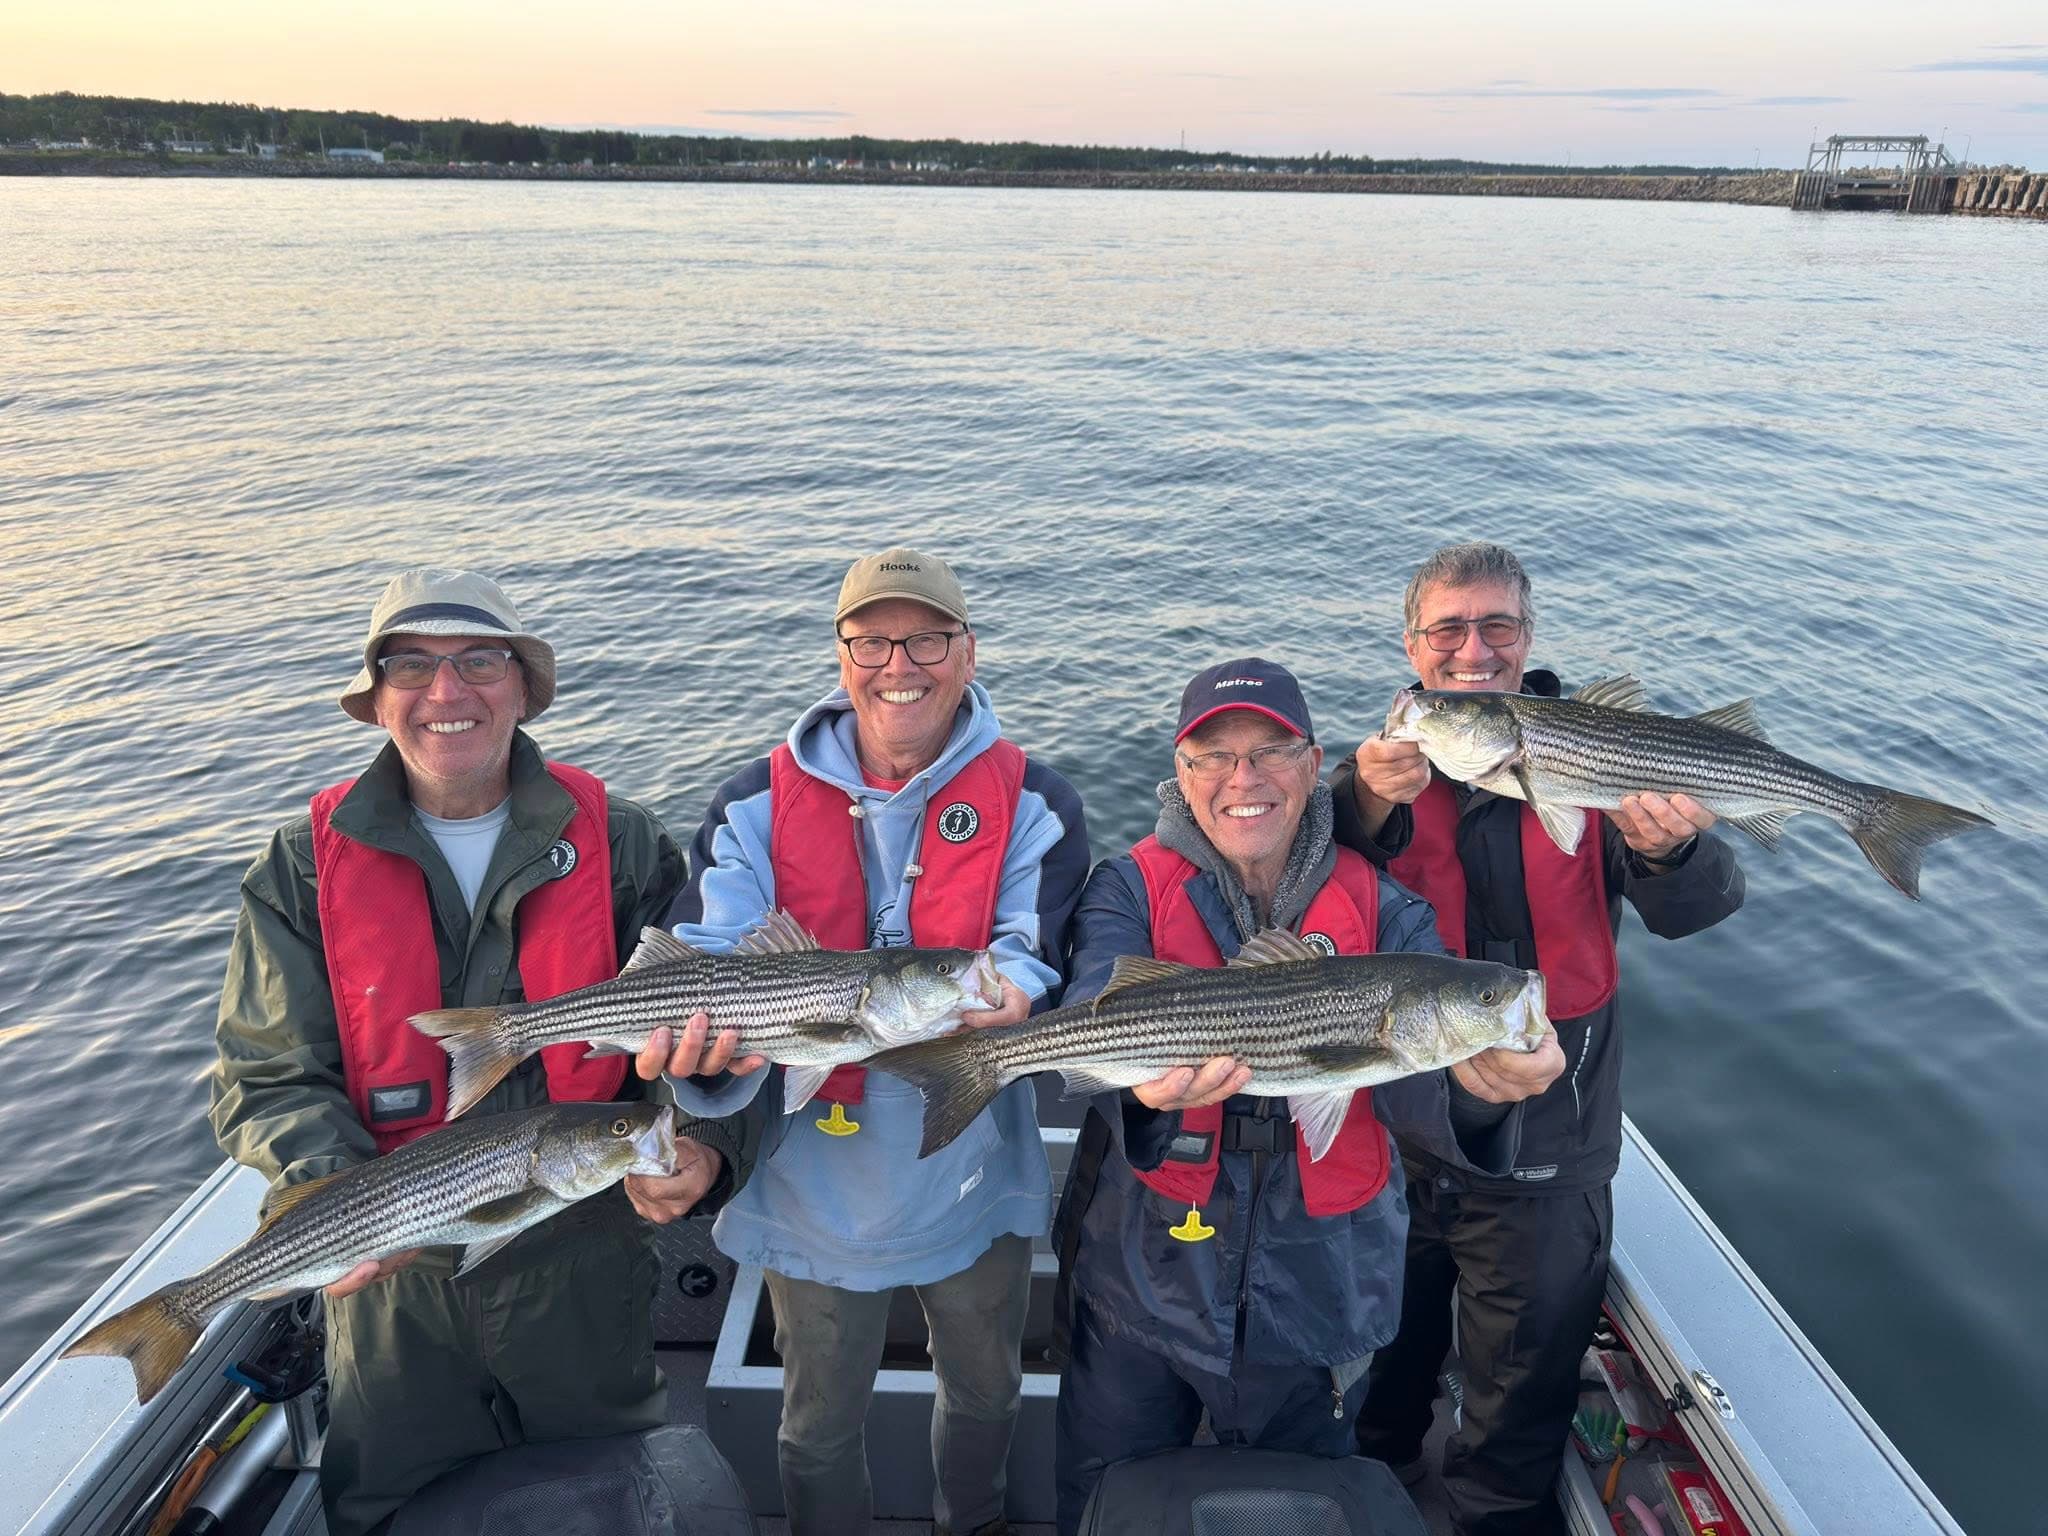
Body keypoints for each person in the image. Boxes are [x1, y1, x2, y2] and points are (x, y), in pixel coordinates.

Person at [209, 568, 720, 1536]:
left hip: (583, 1274)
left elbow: (699, 1029)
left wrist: (700, 1148)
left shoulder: (622, 843)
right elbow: (266, 1076)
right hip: (393, 1301)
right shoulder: (297, 868)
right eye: (412, 666)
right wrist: (336, 1196)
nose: (446, 693)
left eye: (478, 661)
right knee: (398, 1516)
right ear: (377, 700)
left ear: (522, 685)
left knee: (619, 1504)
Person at [1049, 657, 1566, 1535]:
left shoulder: (1392, 915)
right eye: (1213, 756)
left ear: (1313, 760)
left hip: (1322, 1289)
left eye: (1271, 752)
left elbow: (1421, 1109)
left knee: (1297, 1509)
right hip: (1143, 1283)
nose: (1242, 779)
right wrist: (1145, 1090)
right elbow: (1095, 1000)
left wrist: (1486, 1096)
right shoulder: (1124, 888)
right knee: (1107, 1501)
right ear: (1181, 773)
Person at [640, 547, 1091, 1536]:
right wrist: (692, 1070)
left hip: (973, 1160)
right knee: (814, 1422)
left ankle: (966, 1524)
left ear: (967, 653)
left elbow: (1034, 945)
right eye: (873, 640)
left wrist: (1009, 987)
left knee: (984, 1398)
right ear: (841, 656)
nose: (901, 663)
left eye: (926, 637)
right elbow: (708, 951)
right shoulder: (749, 803)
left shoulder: (1039, 801)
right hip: (811, 1185)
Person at [1340, 542, 1746, 1535]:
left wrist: (1675, 851)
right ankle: (1367, 1487)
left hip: (1546, 1134)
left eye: (1496, 628)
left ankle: (1489, 1519)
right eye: (1448, 629)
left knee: (1517, 1378)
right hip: (1399, 1121)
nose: (1472, 648)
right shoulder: (1386, 762)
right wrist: (1356, 802)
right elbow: (1316, 899)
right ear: (1411, 646)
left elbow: (1702, 907)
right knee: (1383, 1346)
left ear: (1526, 641)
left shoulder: (1595, 751)